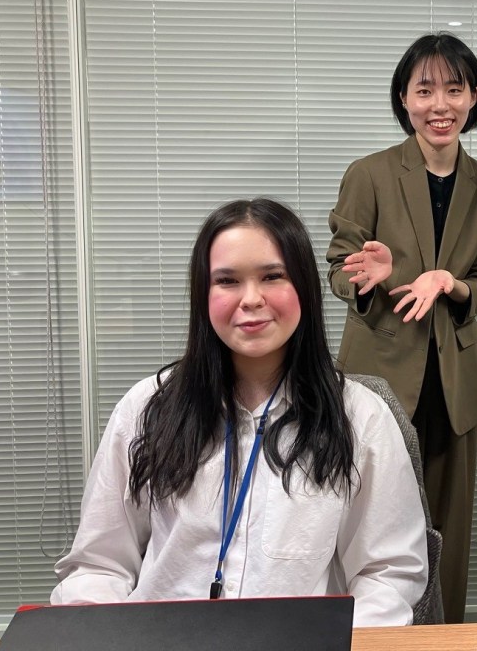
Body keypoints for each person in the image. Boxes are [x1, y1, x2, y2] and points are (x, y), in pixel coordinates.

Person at [51, 198, 427, 627]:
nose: (251, 299)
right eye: (227, 281)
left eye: (272, 276)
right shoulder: (147, 408)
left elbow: (388, 574)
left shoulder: (361, 418)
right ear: (204, 294)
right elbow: (99, 565)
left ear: (304, 287)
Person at [326, 33, 477, 623]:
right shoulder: (370, 174)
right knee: (369, 526)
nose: (440, 105)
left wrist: (451, 283)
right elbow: (339, 269)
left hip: (453, 384)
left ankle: (443, 635)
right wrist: (370, 277)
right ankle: (371, 635)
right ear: (404, 99)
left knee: (447, 530)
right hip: (379, 375)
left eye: (454, 89)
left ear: (473, 96)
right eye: (424, 90)